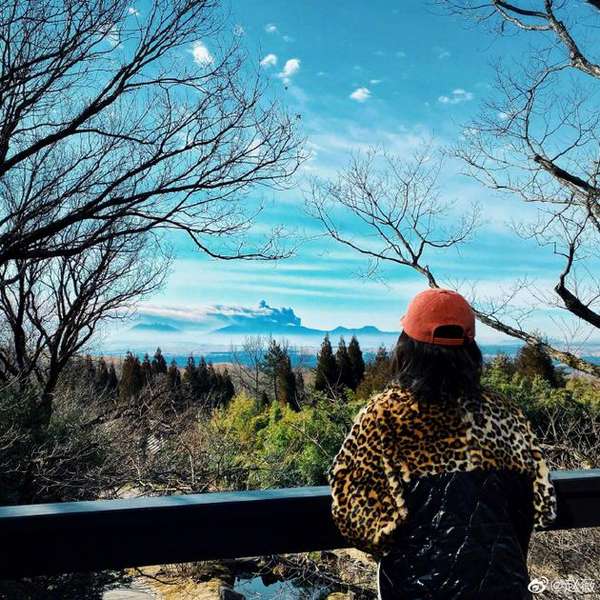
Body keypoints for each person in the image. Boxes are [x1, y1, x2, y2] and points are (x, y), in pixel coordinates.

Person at [328, 288, 558, 600]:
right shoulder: (507, 414)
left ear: (406, 348)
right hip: (507, 586)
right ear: (470, 348)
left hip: (415, 588)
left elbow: (358, 522)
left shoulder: (383, 416)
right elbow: (543, 508)